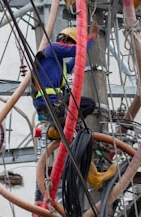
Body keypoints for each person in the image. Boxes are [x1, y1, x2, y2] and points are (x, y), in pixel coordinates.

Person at [31, 23, 116, 189]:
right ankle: (95, 178)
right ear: (63, 40)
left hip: (55, 102)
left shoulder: (60, 64)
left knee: (88, 106)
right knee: (75, 137)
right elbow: (79, 50)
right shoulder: (52, 48)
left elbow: (77, 60)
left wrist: (84, 45)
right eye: (71, 43)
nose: (71, 47)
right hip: (48, 100)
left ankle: (58, 127)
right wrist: (91, 36)